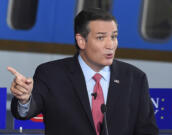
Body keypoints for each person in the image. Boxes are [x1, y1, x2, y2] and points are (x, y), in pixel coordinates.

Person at [8, 8, 158, 135]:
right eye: (101, 37)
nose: (110, 44)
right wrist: (24, 98)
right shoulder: (51, 74)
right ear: (81, 41)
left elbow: (147, 130)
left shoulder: (134, 78)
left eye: (114, 36)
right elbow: (27, 111)